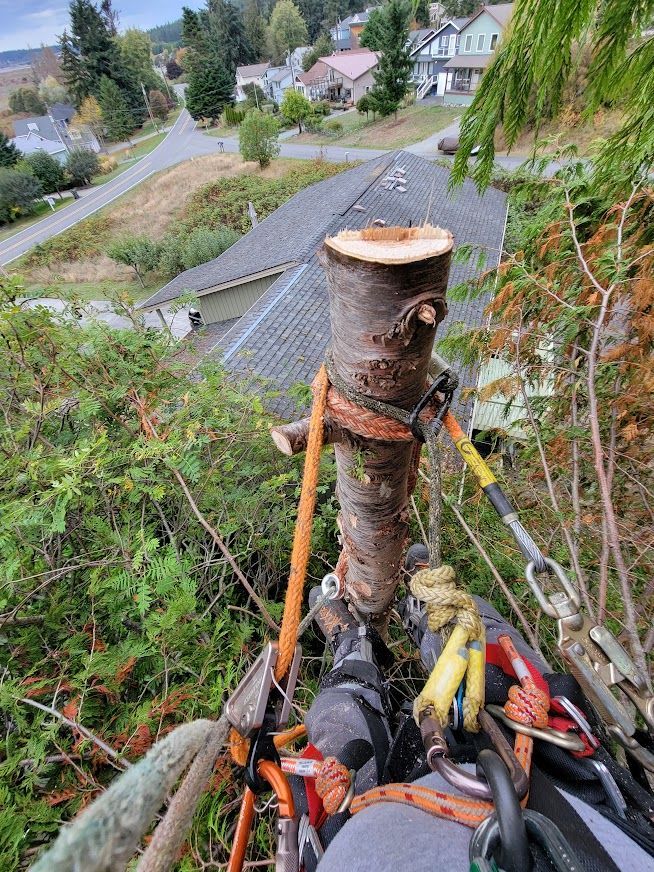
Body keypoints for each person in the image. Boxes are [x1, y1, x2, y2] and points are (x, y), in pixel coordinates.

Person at [294, 545, 654, 872]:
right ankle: (428, 611)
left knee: (340, 717)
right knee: (489, 641)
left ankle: (353, 646)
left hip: (352, 824)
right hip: (555, 773)